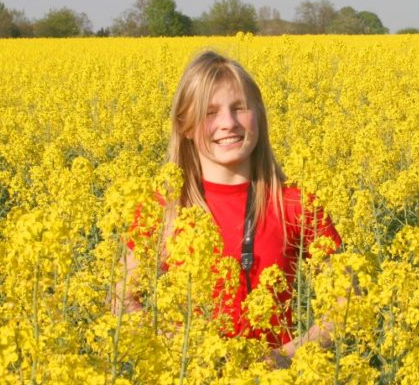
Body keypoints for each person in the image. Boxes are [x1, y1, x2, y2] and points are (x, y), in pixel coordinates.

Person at [113, 50, 341, 368]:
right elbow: (122, 301)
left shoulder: (296, 205)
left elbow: (345, 305)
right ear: (186, 126)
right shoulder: (163, 209)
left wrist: (286, 358)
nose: (228, 123)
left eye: (240, 108)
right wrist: (173, 355)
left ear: (258, 116)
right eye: (210, 113)